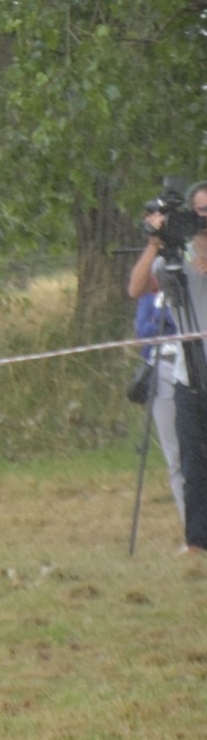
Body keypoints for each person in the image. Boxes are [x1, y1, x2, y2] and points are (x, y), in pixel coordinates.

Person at [128, 180, 207, 554]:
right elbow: (137, 287)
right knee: (192, 460)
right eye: (200, 211)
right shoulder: (177, 257)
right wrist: (154, 244)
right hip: (188, 376)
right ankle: (197, 540)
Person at [133, 293, 186, 525]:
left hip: (195, 365)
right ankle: (193, 530)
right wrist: (164, 321)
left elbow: (188, 321)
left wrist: (163, 322)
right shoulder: (149, 296)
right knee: (175, 454)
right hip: (161, 369)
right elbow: (142, 331)